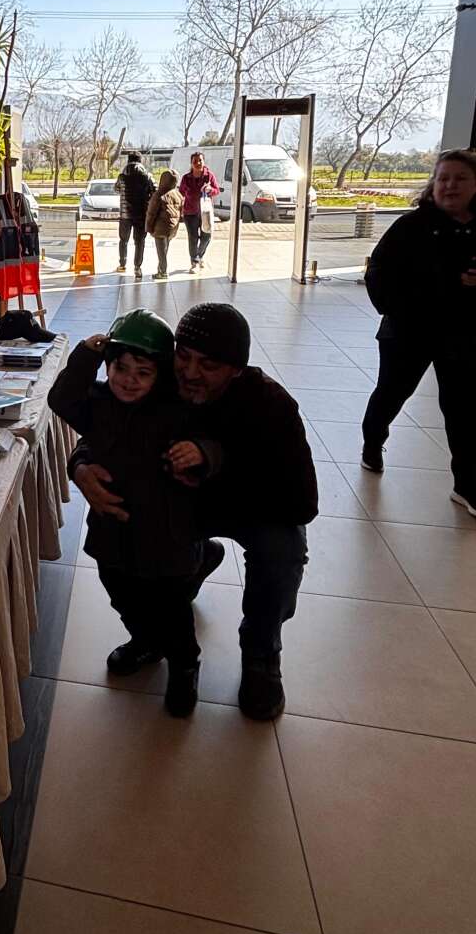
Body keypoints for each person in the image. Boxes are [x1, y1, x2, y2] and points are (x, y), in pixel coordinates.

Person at [70, 302, 316, 720]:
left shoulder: (270, 406)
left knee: (281, 551)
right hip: (168, 507)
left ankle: (261, 655)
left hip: (248, 505)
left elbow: (301, 503)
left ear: (236, 369)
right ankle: (152, 630)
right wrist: (79, 466)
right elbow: (106, 424)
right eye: (183, 356)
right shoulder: (158, 379)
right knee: (124, 554)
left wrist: (213, 473)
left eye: (209, 365)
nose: (190, 372)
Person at [49, 310, 213, 717]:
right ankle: (144, 641)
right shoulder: (99, 403)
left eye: (143, 372)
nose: (129, 379)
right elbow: (61, 400)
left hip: (168, 533)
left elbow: (214, 438)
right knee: (119, 589)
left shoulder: (176, 409)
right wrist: (86, 355)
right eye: (121, 368)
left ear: (161, 376)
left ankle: (184, 663)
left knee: (171, 607)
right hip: (114, 528)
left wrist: (201, 453)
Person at [360, 148, 476, 522]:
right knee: (391, 393)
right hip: (408, 331)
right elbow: (378, 273)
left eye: (459, 178)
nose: (450, 185)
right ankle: (373, 442)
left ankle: (467, 485)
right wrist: (399, 310)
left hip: (467, 333)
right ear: (433, 184)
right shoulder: (411, 226)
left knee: (465, 412)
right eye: (443, 178)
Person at [114, 152, 156, 279]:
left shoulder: (122, 177)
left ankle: (122, 264)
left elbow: (116, 189)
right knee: (139, 242)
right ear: (140, 161)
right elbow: (154, 191)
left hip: (125, 214)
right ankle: (137, 268)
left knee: (123, 240)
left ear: (128, 161)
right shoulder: (148, 176)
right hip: (141, 214)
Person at [179, 151, 220, 270]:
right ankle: (194, 262)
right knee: (193, 237)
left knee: (206, 236)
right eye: (195, 161)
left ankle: (200, 255)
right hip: (189, 212)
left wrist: (210, 189)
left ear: (204, 161)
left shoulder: (209, 176)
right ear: (191, 163)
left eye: (200, 160)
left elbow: (217, 190)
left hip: (205, 212)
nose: (197, 163)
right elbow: (181, 193)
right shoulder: (186, 178)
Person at [144, 170, 183, 281]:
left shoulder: (159, 195)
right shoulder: (177, 194)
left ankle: (163, 272)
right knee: (165, 250)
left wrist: (149, 227)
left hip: (160, 228)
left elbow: (151, 213)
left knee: (161, 253)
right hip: (172, 228)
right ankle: (160, 270)